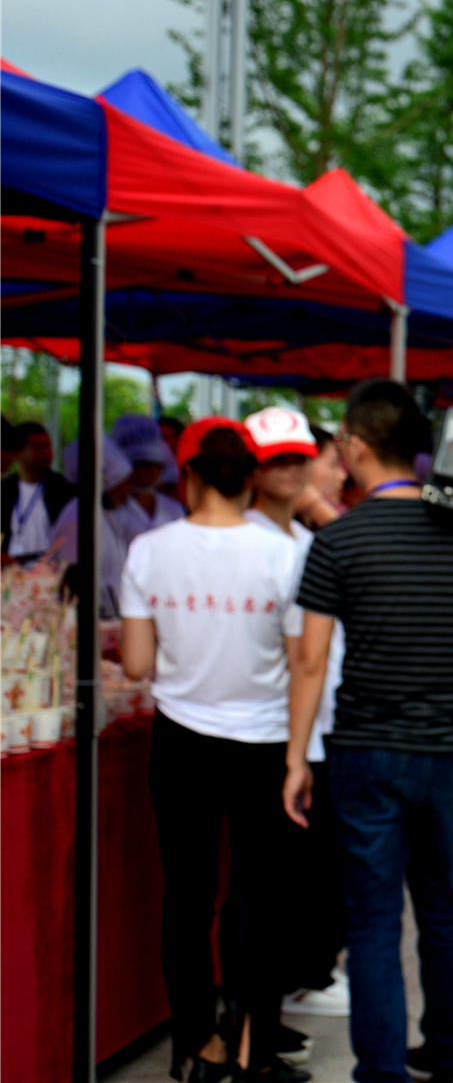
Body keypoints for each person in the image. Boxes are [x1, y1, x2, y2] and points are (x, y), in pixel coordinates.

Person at [282, 379, 453, 1083]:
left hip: (364, 747)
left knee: (374, 919)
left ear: (355, 445)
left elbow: (310, 661)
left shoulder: (339, 537)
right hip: (448, 749)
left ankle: (380, 1073)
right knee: (442, 904)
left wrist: (297, 759)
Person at [118, 418, 308, 1083]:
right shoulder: (282, 554)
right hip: (263, 742)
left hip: (182, 742)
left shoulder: (149, 549)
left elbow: (138, 665)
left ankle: (199, 1046)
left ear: (187, 473)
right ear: (249, 477)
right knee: (262, 899)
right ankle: (255, 1046)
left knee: (188, 900)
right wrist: (297, 758)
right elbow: (303, 665)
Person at [239, 408, 353, 1025]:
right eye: (274, 458)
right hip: (277, 732)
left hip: (322, 723)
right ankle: (272, 1000)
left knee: (313, 873)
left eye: (297, 457)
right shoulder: (249, 539)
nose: (290, 469)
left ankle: (299, 980)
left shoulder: (311, 541)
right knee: (278, 882)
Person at [43, 436, 135, 618]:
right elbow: (73, 580)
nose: (128, 490)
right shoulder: (78, 517)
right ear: (108, 483)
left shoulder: (107, 514)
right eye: (123, 483)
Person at [3, 420, 77, 563]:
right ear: (17, 453)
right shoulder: (5, 490)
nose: (45, 453)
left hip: (52, 569)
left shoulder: (63, 489)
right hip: (10, 571)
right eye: (37, 447)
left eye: (47, 446)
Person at [112, 414, 186, 542]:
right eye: (136, 466)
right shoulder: (113, 513)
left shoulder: (174, 510)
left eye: (149, 466)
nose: (143, 474)